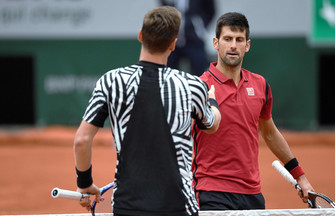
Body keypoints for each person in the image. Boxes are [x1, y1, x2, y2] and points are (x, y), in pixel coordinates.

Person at [73, 6, 221, 216]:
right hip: (179, 207)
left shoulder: (110, 81)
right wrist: (213, 103)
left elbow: (81, 140)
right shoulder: (193, 86)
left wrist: (85, 183)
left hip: (127, 206)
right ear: (173, 43)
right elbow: (211, 125)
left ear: (141, 35)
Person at [192, 12, 314, 210]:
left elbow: (270, 133)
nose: (233, 45)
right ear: (216, 43)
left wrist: (300, 177)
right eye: (227, 39)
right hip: (210, 192)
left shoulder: (260, 85)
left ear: (247, 45)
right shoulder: (199, 87)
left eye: (239, 40)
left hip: (252, 194)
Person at [159, 0, 216, 76]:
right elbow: (164, 7)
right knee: (166, 70)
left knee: (200, 71)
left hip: (194, 39)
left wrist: (199, 25)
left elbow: (211, 11)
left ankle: (201, 87)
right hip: (173, 38)